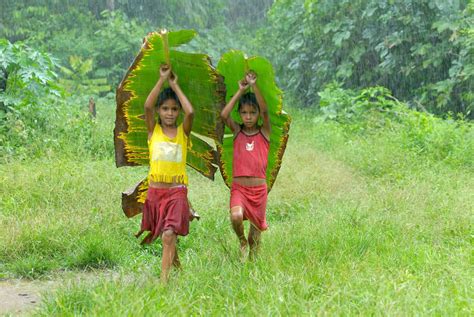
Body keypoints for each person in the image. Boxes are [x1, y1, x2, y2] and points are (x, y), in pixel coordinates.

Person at [137, 64, 194, 283]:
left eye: (173, 109)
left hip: (176, 192)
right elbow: (147, 106)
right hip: (155, 193)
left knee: (168, 235)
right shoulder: (154, 131)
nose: (170, 113)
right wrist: (161, 79)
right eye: (166, 109)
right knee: (167, 236)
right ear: (160, 111)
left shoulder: (183, 132)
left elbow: (191, 112)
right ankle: (177, 265)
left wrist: (174, 85)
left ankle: (163, 282)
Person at [220, 72, 271, 260]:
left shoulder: (264, 132)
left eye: (252, 112)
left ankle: (252, 268)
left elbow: (266, 111)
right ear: (240, 114)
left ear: (257, 114)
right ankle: (241, 239)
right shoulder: (237, 131)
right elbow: (224, 114)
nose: (248, 117)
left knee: (255, 237)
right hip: (239, 188)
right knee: (236, 216)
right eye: (244, 113)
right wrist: (241, 90)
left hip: (258, 190)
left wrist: (254, 86)